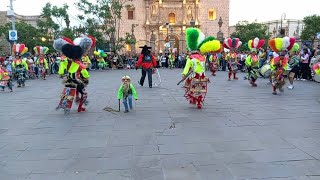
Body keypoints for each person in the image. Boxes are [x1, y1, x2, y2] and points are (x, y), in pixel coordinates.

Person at [180, 27, 221, 109]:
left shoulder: (199, 58)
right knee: (195, 89)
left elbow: (188, 67)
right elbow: (187, 67)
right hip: (195, 76)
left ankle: (198, 101)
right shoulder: (194, 58)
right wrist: (185, 73)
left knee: (199, 89)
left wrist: (184, 74)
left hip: (200, 76)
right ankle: (196, 100)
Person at [53, 36, 95, 112]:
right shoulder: (77, 62)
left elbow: (62, 67)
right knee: (81, 92)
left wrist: (61, 73)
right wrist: (86, 76)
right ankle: (78, 106)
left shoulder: (68, 61)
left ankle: (66, 106)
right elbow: (84, 71)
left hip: (70, 79)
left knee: (69, 92)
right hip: (77, 79)